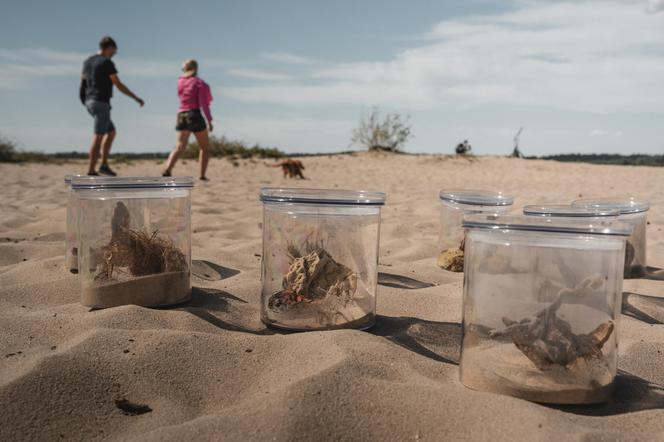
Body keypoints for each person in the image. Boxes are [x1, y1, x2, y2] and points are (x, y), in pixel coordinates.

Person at [80, 36, 144, 176]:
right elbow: (118, 84)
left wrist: (84, 100)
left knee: (111, 132)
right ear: (109, 48)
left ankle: (103, 165)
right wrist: (135, 97)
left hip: (90, 101)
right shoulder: (106, 62)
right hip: (101, 102)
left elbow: (82, 83)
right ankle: (91, 170)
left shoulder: (87, 62)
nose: (114, 53)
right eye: (114, 50)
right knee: (98, 136)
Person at [162, 59, 213, 180]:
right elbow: (204, 104)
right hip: (194, 114)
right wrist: (209, 120)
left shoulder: (180, 82)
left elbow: (181, 98)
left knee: (179, 146)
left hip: (181, 114)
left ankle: (168, 169)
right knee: (204, 148)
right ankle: (202, 175)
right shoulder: (199, 83)